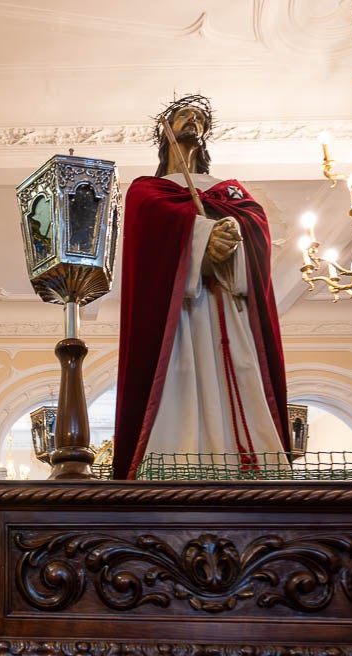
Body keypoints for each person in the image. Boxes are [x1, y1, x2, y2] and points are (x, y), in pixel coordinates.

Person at [112, 93, 289, 480]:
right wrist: (200, 238)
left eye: (198, 118)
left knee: (240, 375)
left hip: (228, 305)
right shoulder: (147, 190)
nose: (192, 121)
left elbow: (255, 226)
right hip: (180, 316)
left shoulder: (231, 191)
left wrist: (233, 235)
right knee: (181, 378)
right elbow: (150, 245)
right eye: (182, 116)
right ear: (166, 131)